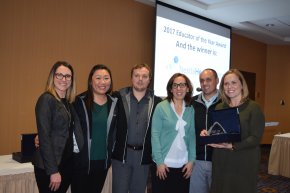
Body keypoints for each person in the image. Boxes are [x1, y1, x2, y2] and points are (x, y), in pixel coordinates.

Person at [203, 69, 265, 193]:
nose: (229, 86)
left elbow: (255, 137)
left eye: (233, 82)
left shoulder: (253, 107)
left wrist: (232, 146)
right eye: (226, 84)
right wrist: (207, 134)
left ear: (242, 85)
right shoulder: (220, 107)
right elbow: (218, 130)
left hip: (244, 160)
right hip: (221, 159)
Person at [33, 61, 84, 193]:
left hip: (66, 164)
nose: (64, 79)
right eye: (59, 75)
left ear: (72, 80)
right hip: (50, 168)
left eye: (68, 76)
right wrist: (53, 171)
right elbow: (44, 137)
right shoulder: (46, 100)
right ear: (52, 77)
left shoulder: (68, 103)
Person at [111, 63, 162, 193]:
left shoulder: (157, 103)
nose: (140, 79)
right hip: (122, 156)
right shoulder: (118, 97)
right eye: (137, 75)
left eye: (144, 76)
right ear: (131, 78)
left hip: (143, 158)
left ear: (149, 79)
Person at [72, 64, 118, 193]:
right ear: (91, 81)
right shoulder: (79, 102)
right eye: (98, 78)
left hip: (102, 162)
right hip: (81, 163)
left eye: (106, 78)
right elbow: (65, 125)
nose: (102, 82)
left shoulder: (114, 103)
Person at [151, 73, 196, 193]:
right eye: (175, 85)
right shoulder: (161, 107)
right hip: (164, 166)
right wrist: (159, 162)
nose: (178, 88)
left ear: (187, 88)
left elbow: (192, 137)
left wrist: (191, 160)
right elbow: (154, 135)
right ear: (171, 89)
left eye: (182, 85)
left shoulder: (190, 109)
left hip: (183, 166)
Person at [189, 69, 221, 193]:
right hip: (197, 161)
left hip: (218, 161)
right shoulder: (191, 102)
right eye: (202, 80)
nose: (205, 83)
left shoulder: (226, 102)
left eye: (208, 79)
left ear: (217, 81)